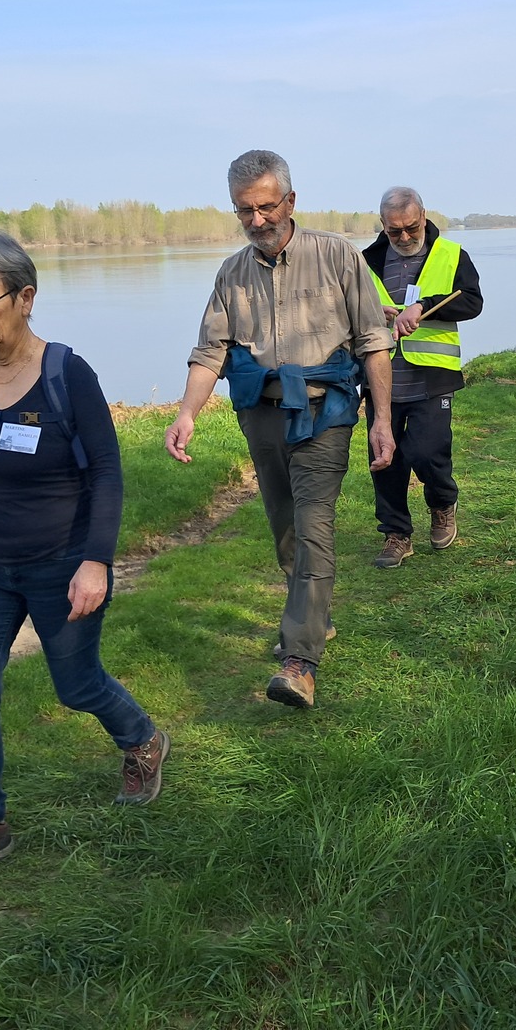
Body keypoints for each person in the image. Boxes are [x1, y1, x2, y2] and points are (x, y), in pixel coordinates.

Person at [0, 231, 167, 889]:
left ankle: (142, 739)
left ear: (25, 297)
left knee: (76, 686)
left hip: (62, 563)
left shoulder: (66, 374)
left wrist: (96, 562)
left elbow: (107, 471)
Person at [165, 150, 396, 710]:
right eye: (244, 210)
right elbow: (211, 351)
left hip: (325, 412)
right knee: (286, 528)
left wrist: (383, 420)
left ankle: (300, 661)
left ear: (290, 201)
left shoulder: (337, 255)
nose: (257, 220)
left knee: (314, 524)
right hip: (261, 414)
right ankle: (314, 616)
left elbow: (373, 341)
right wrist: (187, 412)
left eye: (267, 207)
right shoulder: (231, 273)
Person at [361, 187, 484, 567]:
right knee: (385, 459)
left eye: (411, 228)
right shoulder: (364, 261)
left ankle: (443, 503)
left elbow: (472, 301)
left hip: (432, 379)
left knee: (427, 452)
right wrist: (371, 312)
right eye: (394, 230)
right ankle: (396, 534)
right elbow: (344, 310)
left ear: (424, 217)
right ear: (382, 225)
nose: (404, 237)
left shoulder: (451, 255)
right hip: (381, 379)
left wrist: (424, 307)